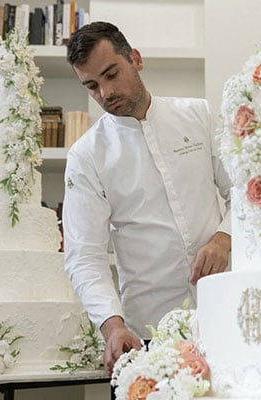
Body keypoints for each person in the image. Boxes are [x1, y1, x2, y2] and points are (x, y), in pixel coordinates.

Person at [62, 21, 232, 373]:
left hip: (226, 313)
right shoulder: (87, 156)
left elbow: (243, 192)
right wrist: (113, 325)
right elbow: (84, 255)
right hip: (150, 333)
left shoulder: (199, 114)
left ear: (135, 59)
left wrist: (224, 238)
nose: (105, 93)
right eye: (92, 85)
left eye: (112, 75)